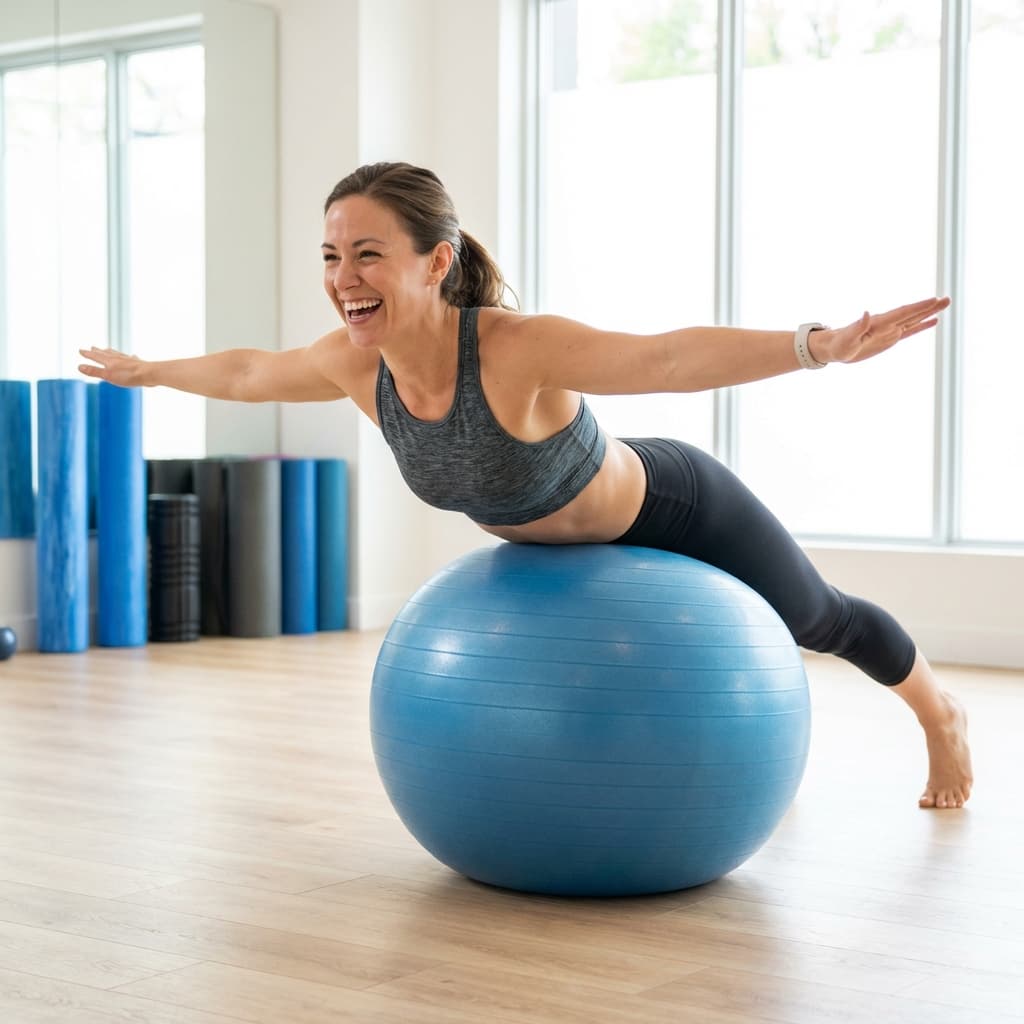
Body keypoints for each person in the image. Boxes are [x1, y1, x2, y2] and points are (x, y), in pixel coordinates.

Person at [80, 161, 973, 809]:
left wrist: (814, 345)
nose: (343, 280)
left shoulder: (511, 347)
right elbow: (246, 373)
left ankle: (939, 715)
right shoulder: (357, 365)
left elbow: (663, 356)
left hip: (670, 501)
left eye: (366, 254)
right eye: (329, 256)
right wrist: (149, 371)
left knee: (819, 618)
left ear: (434, 262)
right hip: (562, 557)